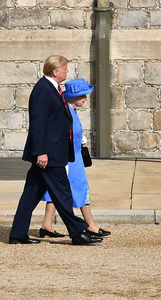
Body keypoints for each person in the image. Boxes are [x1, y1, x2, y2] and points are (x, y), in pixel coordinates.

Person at [8, 56, 102, 246]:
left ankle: (17, 233)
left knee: (31, 194)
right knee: (63, 192)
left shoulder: (53, 88)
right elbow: (38, 123)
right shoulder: (43, 89)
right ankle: (77, 232)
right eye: (65, 69)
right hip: (48, 155)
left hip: (52, 152)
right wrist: (41, 152)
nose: (67, 71)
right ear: (55, 71)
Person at [39, 78, 110, 238]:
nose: (85, 98)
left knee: (55, 190)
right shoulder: (65, 112)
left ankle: (47, 225)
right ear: (73, 97)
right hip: (70, 159)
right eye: (83, 95)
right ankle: (90, 225)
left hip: (72, 156)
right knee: (81, 188)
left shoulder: (71, 110)